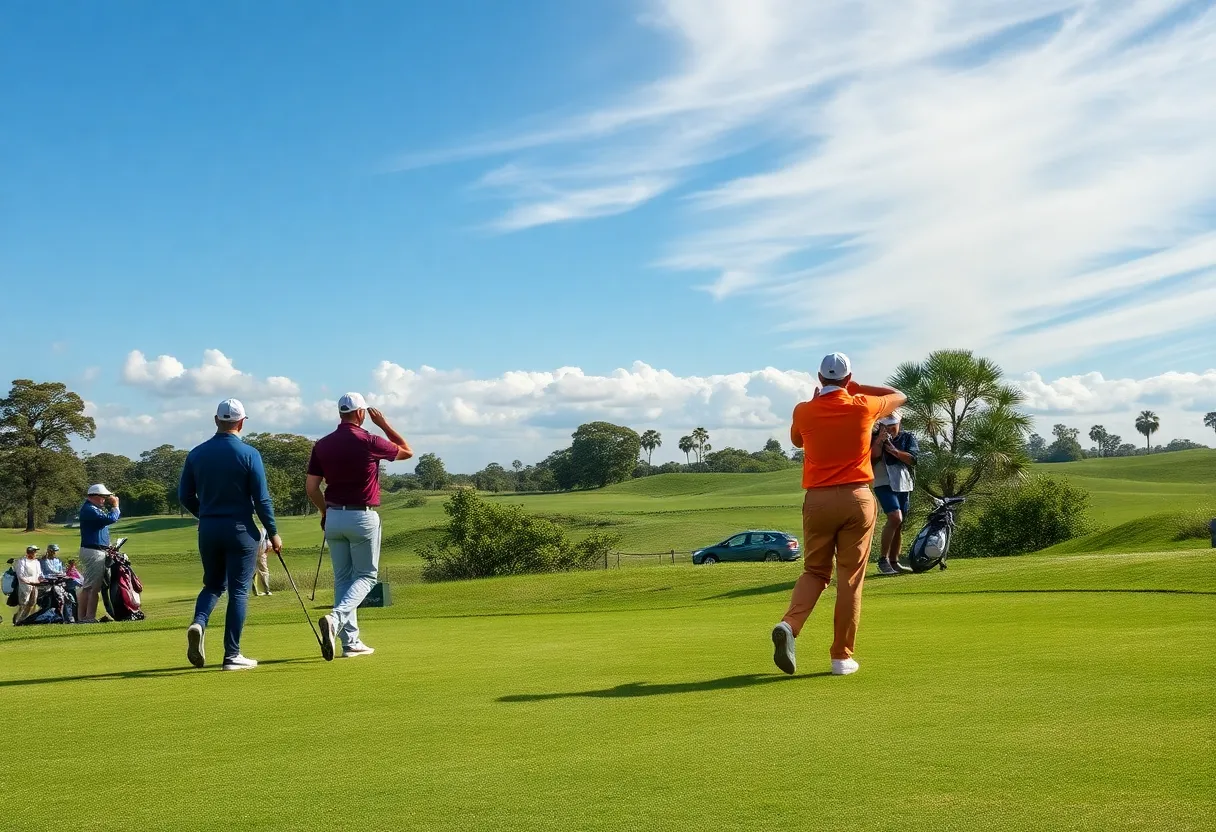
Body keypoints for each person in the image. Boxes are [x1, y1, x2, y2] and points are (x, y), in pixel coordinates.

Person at [772, 353, 905, 677]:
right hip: (856, 498)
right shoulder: (862, 405)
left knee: (815, 572)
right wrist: (857, 387)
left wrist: (819, 400)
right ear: (848, 379)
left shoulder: (804, 410)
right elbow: (900, 395)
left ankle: (790, 625)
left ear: (819, 379)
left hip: (817, 501)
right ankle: (841, 658)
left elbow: (796, 439)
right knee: (849, 579)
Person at [306, 393, 413, 661]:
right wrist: (385, 425)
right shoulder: (370, 441)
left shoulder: (323, 444)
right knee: (366, 577)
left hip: (333, 517)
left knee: (343, 579)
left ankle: (350, 643)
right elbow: (407, 451)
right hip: (362, 517)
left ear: (340, 413)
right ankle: (336, 618)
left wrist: (324, 512)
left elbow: (311, 488)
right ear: (362, 413)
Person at [178, 398, 283, 671]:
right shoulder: (249, 454)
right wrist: (273, 532)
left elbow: (184, 495)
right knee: (238, 591)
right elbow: (261, 499)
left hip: (209, 528)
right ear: (242, 422)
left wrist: (204, 514)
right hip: (240, 530)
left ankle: (199, 622)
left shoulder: (196, 453)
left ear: (216, 420)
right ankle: (232, 655)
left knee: (212, 585)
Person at [871, 412, 920, 575]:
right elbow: (872, 457)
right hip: (882, 482)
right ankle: (883, 560)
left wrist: (895, 452)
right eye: (886, 425)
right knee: (895, 517)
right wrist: (879, 441)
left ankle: (894, 561)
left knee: (899, 524)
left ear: (899, 422)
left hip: (903, 483)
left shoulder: (907, 437)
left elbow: (913, 459)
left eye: (893, 424)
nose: (890, 428)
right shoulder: (873, 437)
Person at [77, 484, 120, 624]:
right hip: (93, 551)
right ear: (94, 496)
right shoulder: (90, 510)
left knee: (91, 586)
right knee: (91, 587)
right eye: (103, 497)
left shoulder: (93, 509)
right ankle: (87, 617)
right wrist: (115, 506)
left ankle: (85, 617)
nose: (104, 500)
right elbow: (111, 518)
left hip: (97, 550)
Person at [15, 545, 43, 623]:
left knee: (32, 603)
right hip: (25, 586)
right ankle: (18, 620)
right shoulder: (22, 561)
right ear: (30, 552)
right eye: (34, 552)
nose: (36, 553)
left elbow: (39, 573)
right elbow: (20, 575)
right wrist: (29, 582)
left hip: (35, 585)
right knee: (23, 603)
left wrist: (40, 580)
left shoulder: (36, 562)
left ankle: (25, 620)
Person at [252, 526, 272, 597]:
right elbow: (268, 543)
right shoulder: (263, 529)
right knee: (263, 571)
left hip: (252, 552)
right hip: (260, 552)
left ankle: (257, 591)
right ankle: (265, 591)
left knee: (253, 572)